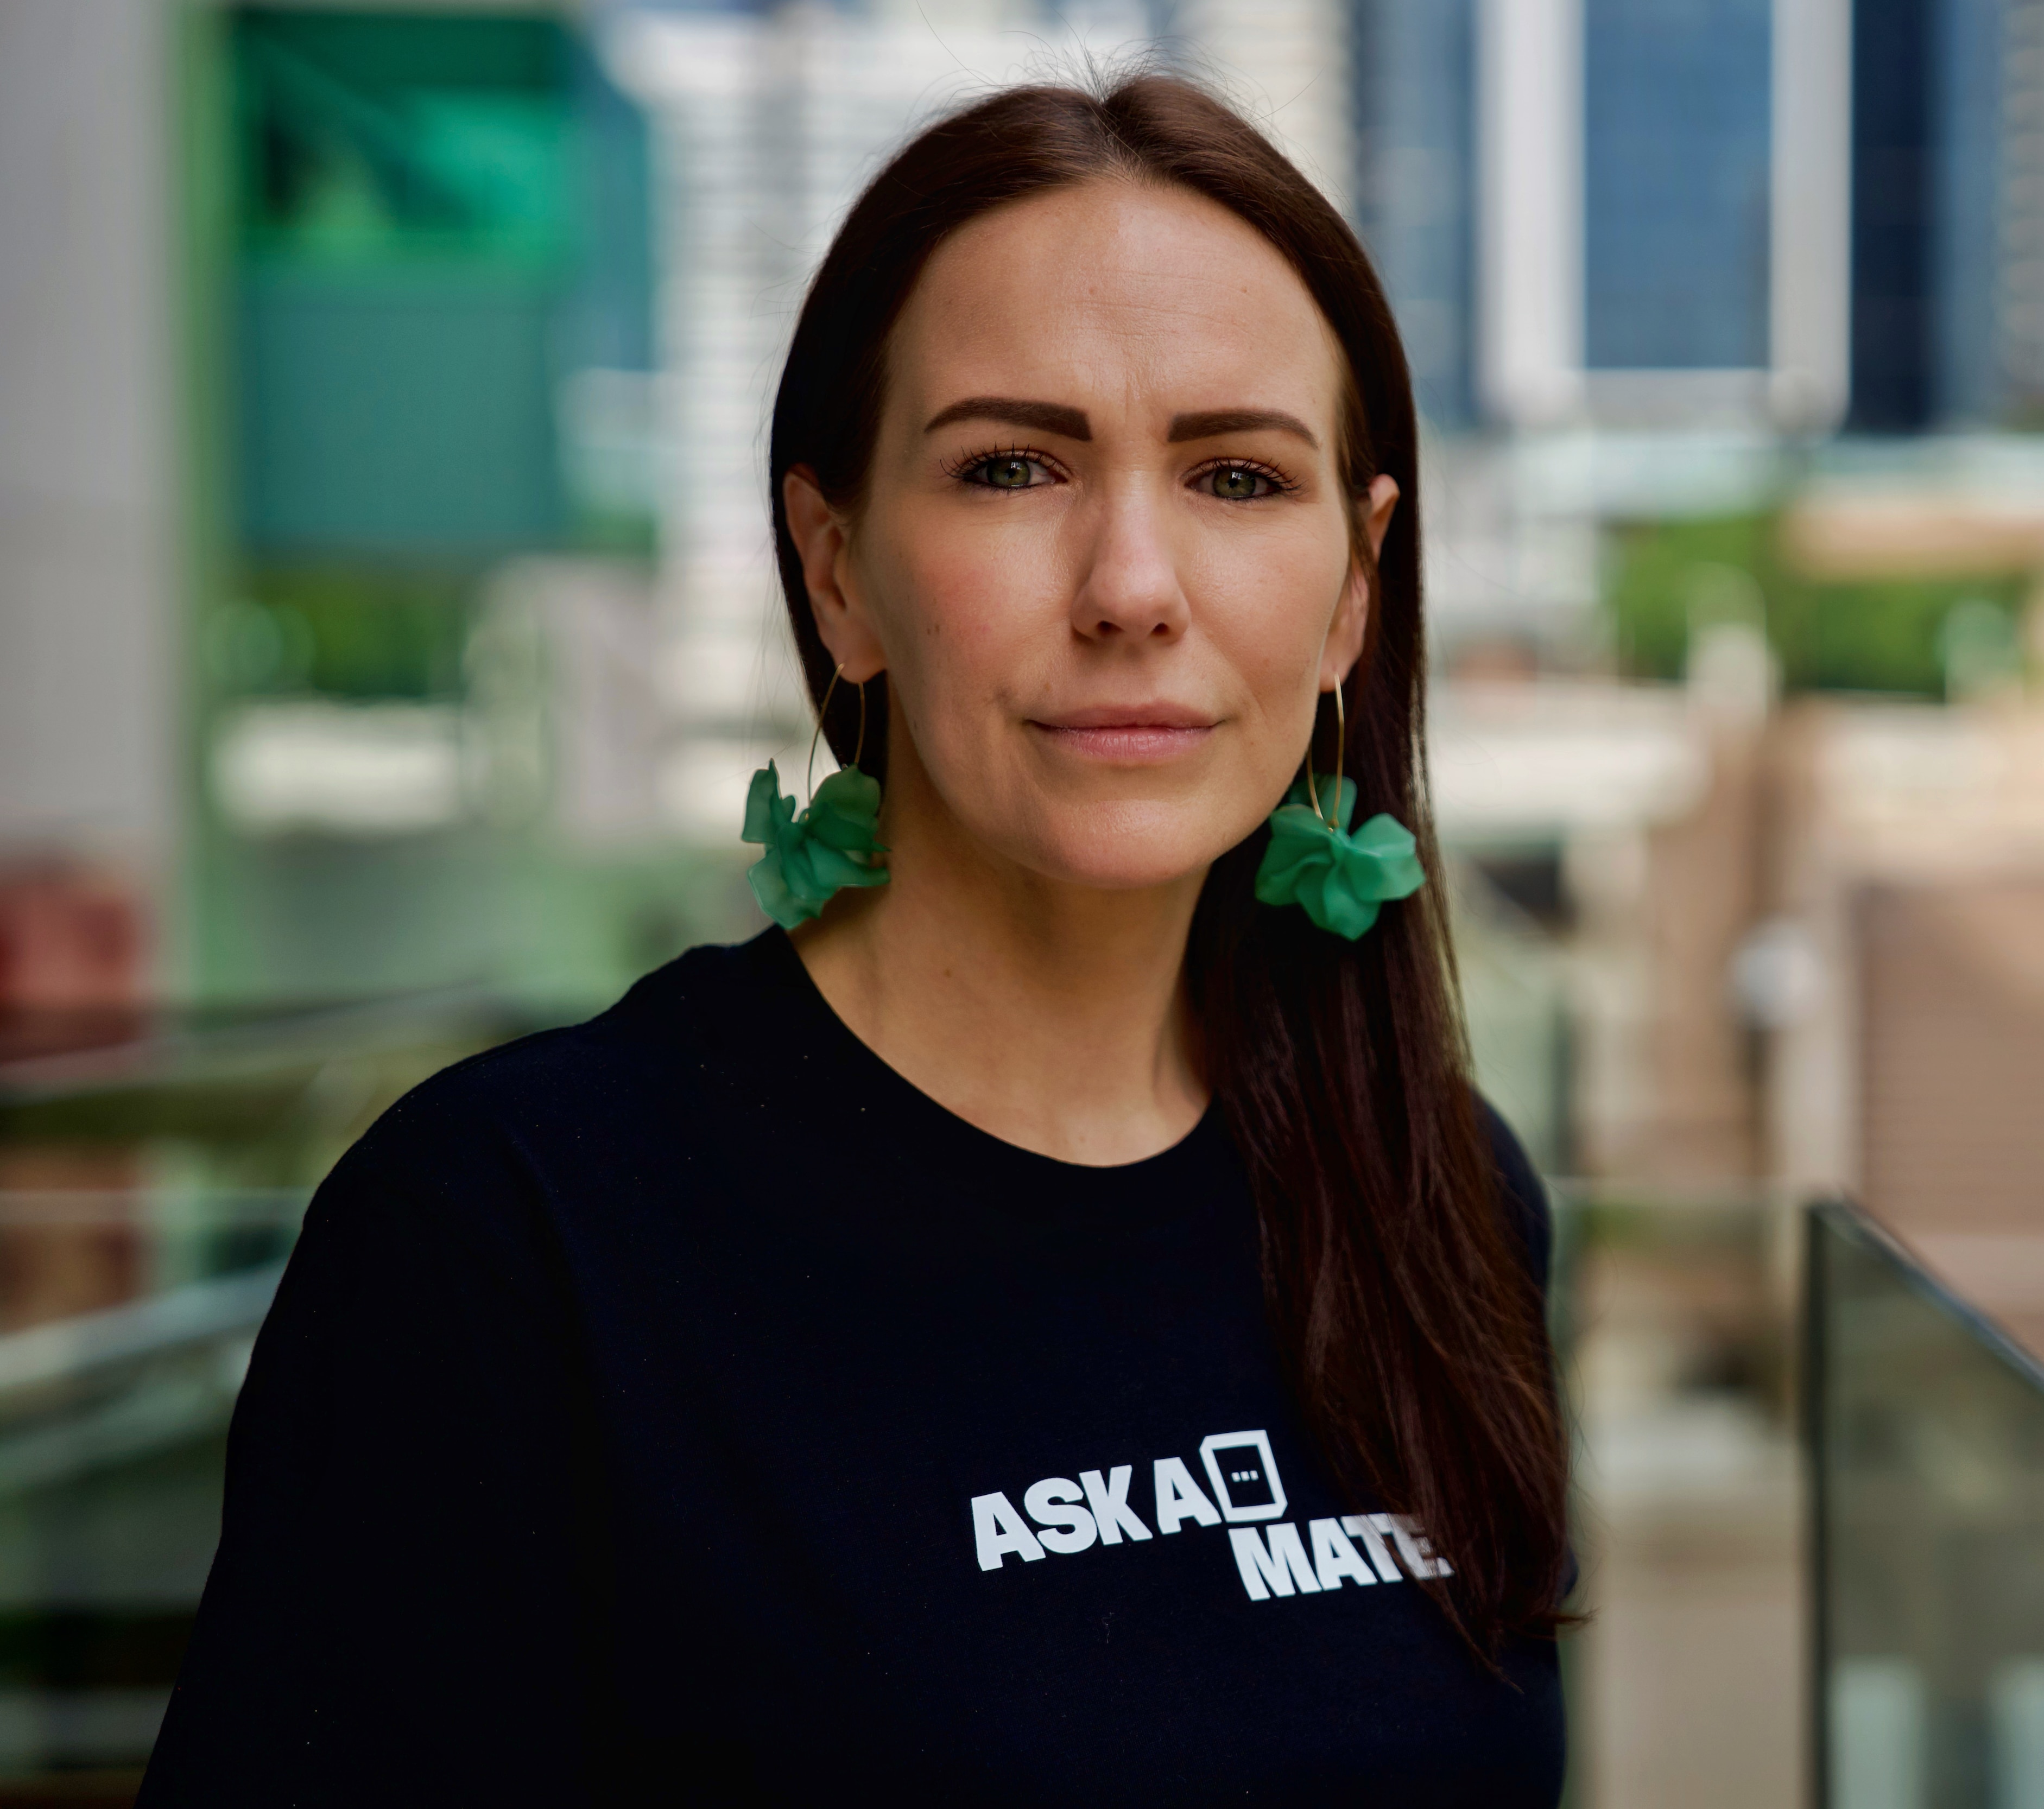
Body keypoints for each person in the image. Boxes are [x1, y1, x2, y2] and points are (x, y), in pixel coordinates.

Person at [137, 72, 1571, 1807]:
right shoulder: (512, 1241)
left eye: (1237, 476)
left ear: (1355, 586)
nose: (1132, 584)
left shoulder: (1437, 1196)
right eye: (1014, 466)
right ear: (835, 570)